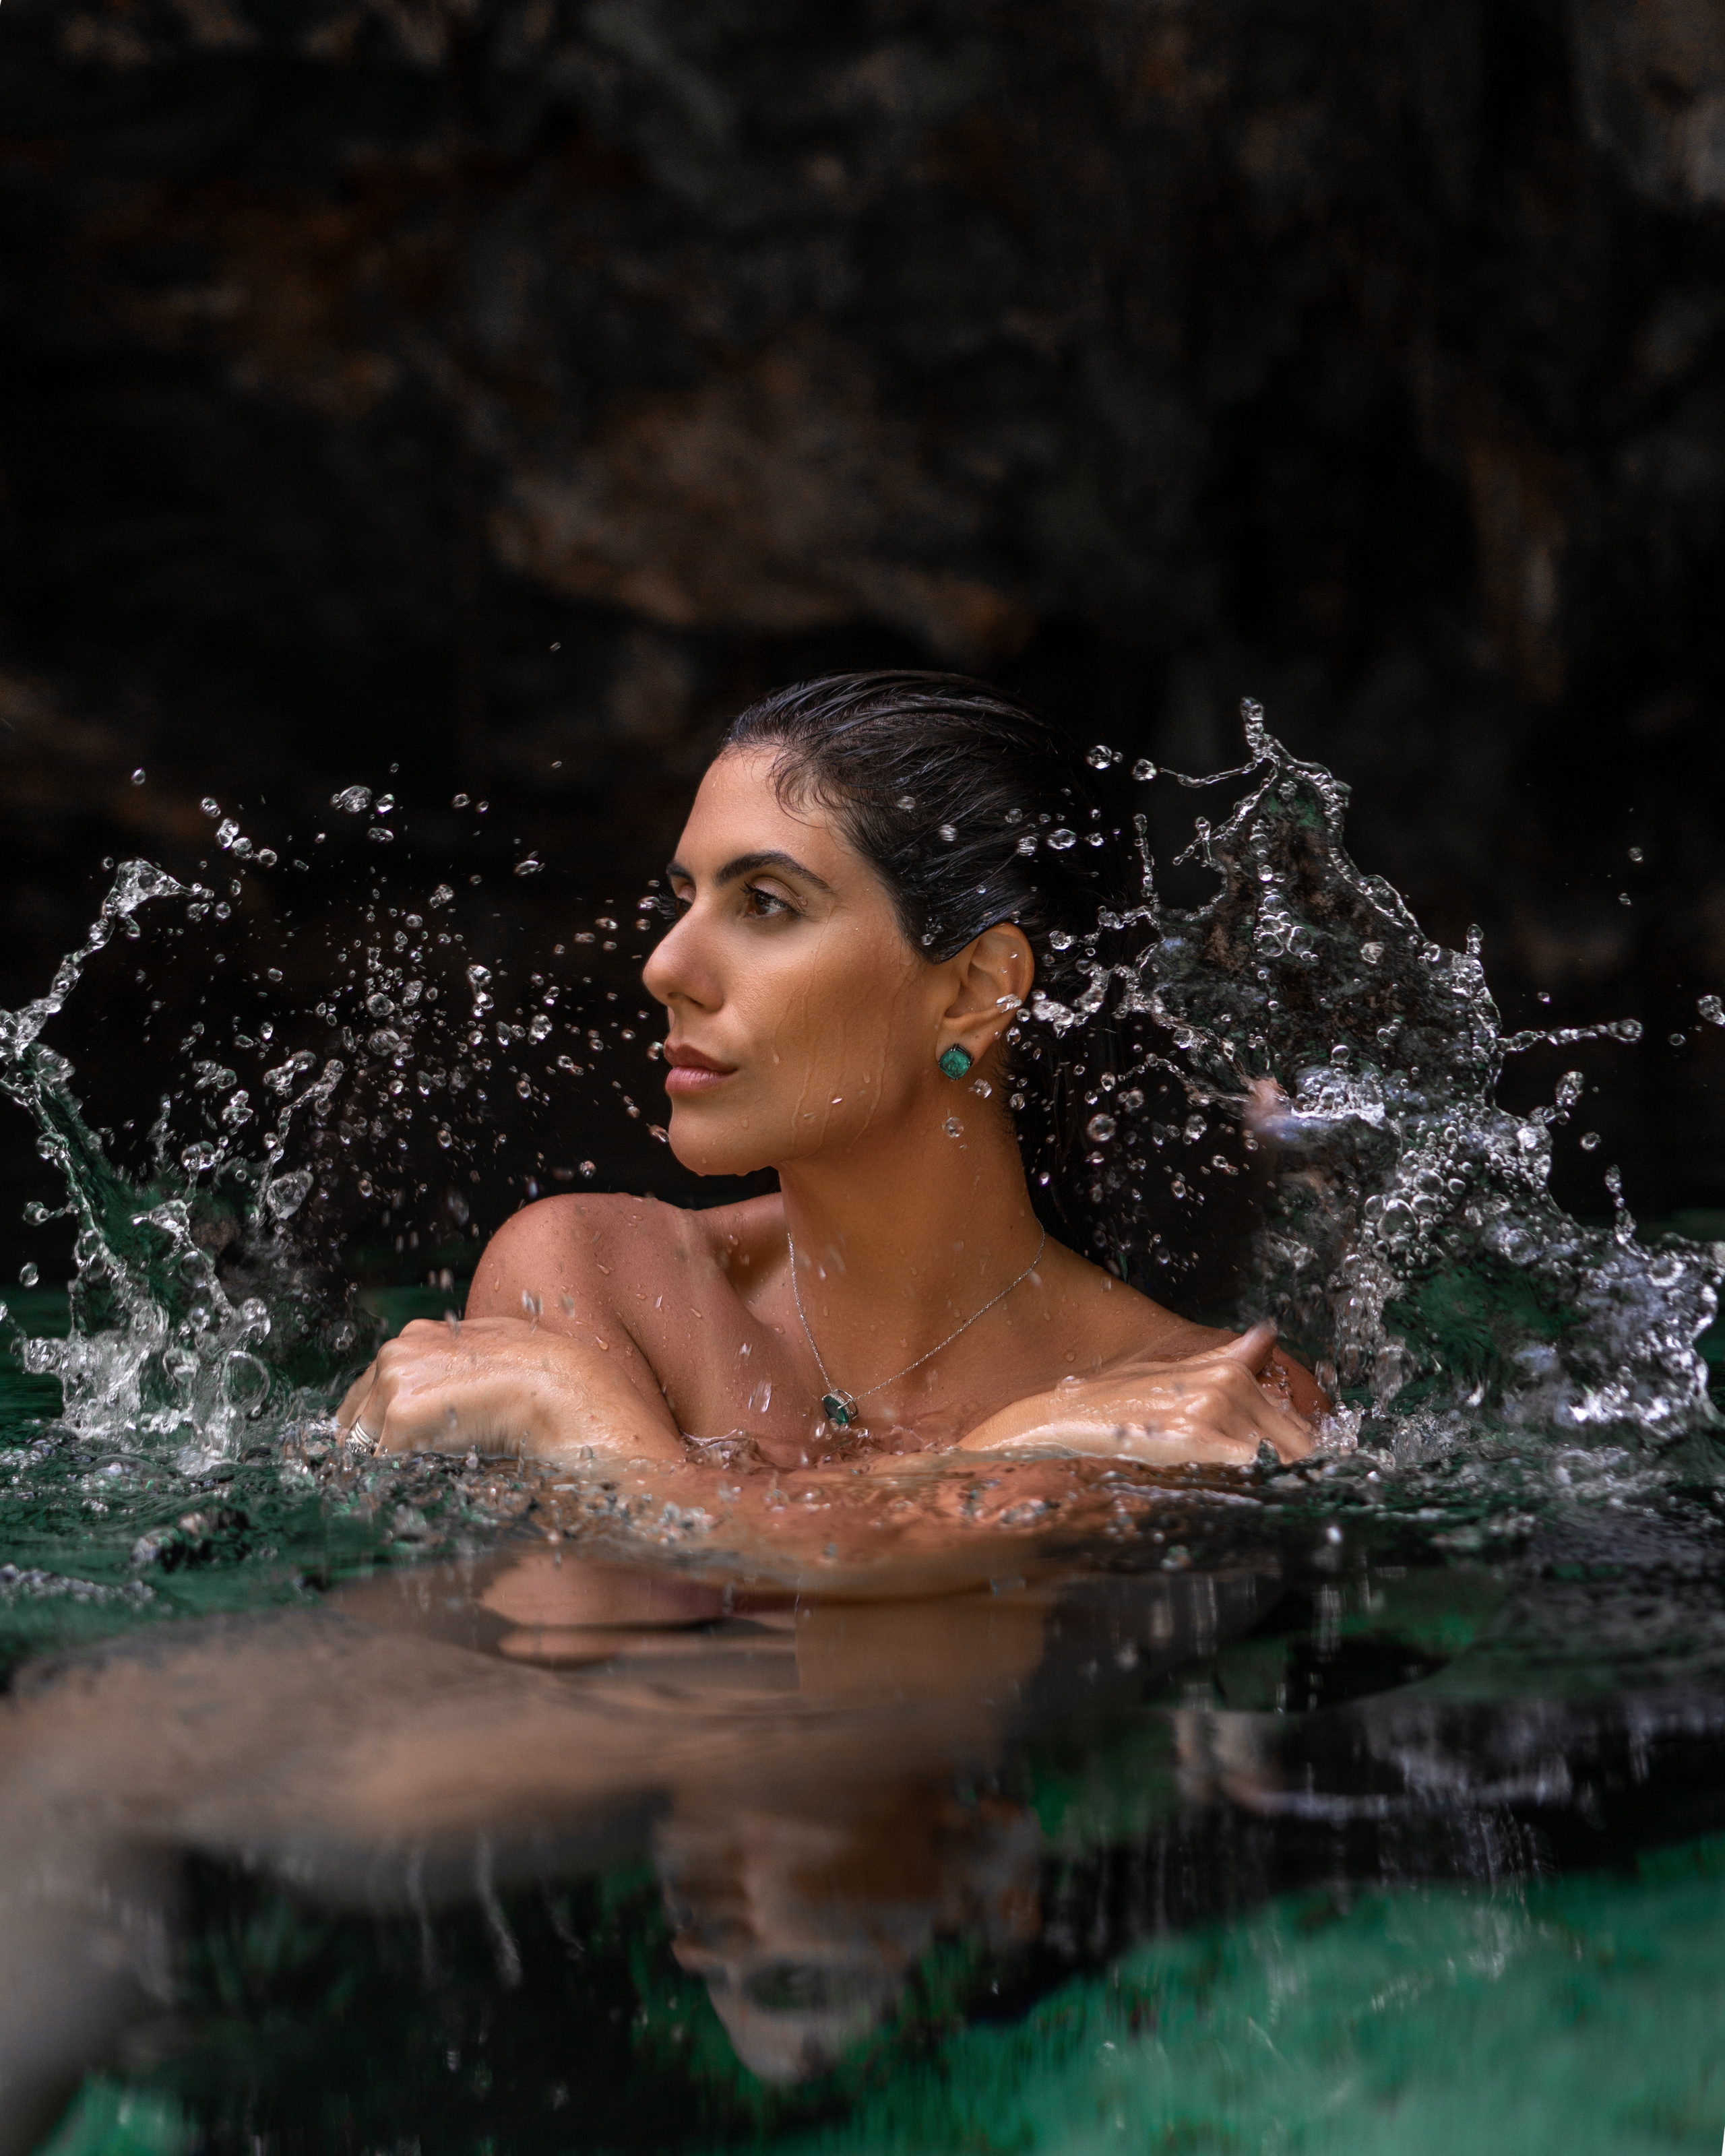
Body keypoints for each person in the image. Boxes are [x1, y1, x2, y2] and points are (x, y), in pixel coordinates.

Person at [337, 672, 1322, 1472]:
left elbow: (890, 1709)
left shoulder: (1205, 1399)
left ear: (976, 988)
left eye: (765, 903)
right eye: (685, 899)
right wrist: (1005, 1463)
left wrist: (587, 1426)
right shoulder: (594, 1277)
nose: (663, 968)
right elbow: (587, 1662)